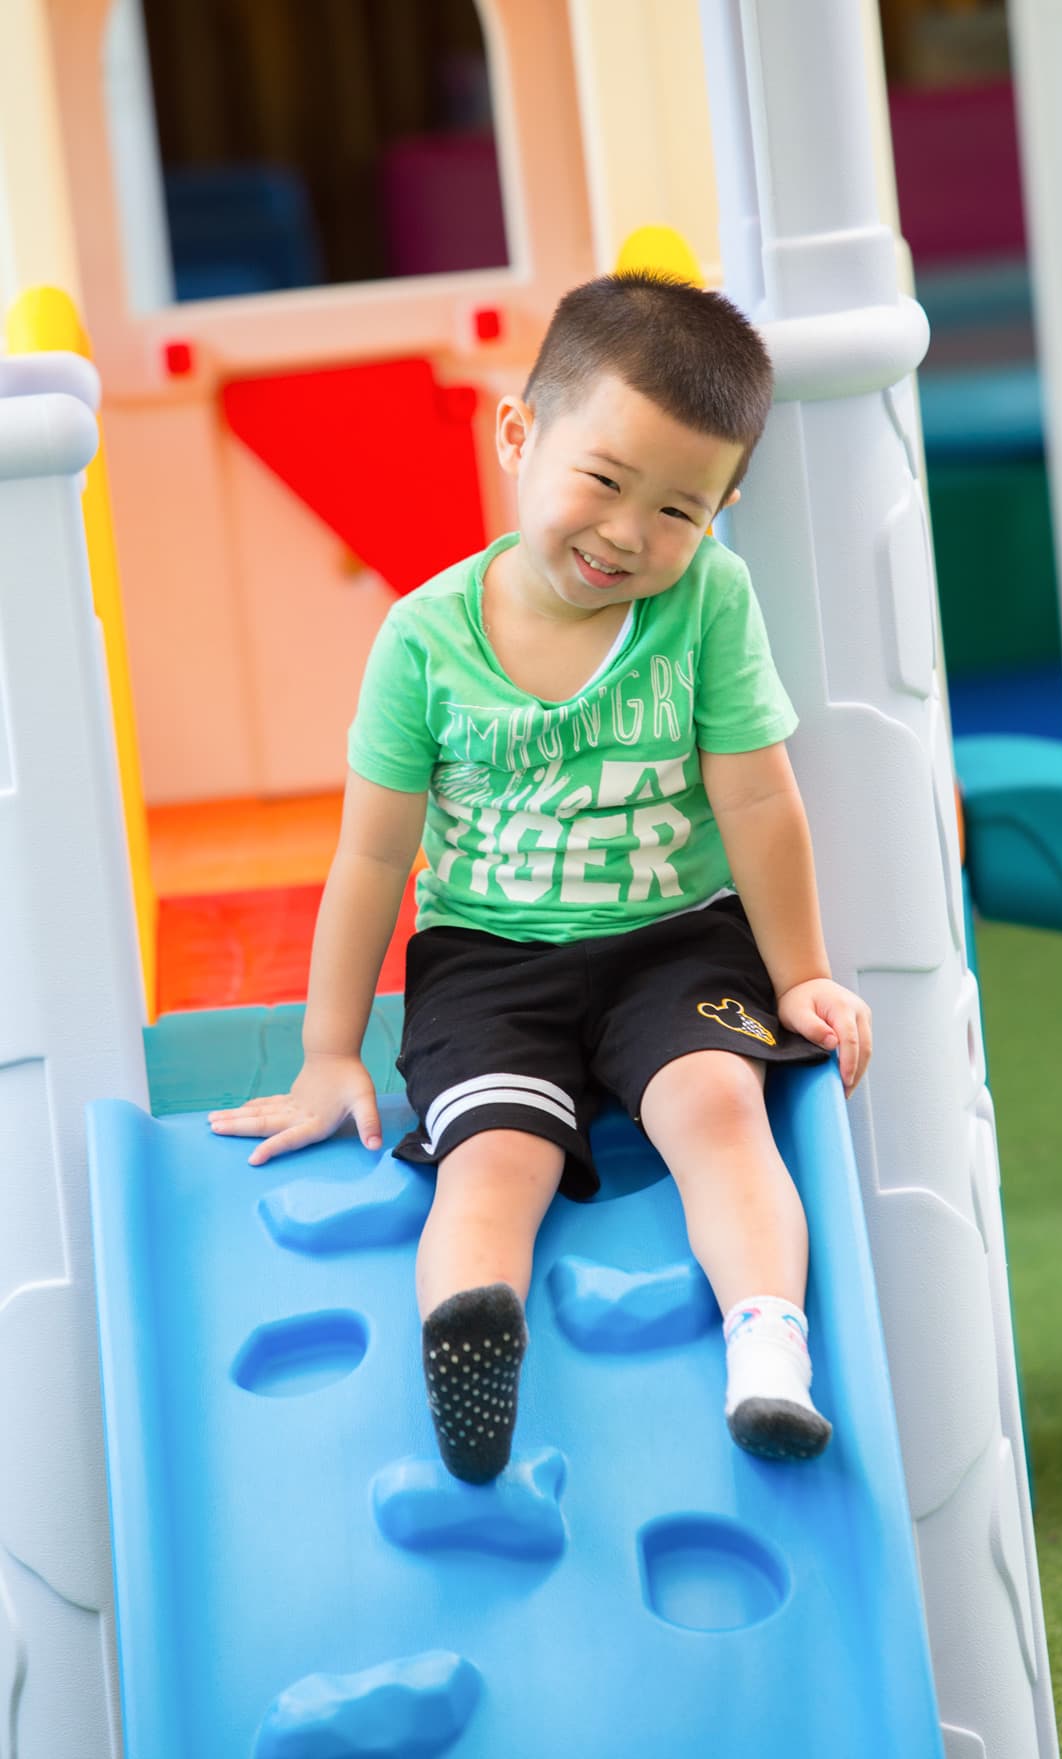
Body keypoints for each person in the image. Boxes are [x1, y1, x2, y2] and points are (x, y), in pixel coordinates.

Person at [209, 272, 872, 1484]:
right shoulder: (424, 639)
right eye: (604, 481)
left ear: (719, 515)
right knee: (492, 1156)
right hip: (489, 963)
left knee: (717, 1107)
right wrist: (327, 1051)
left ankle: (768, 1347)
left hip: (677, 938)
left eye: (679, 510)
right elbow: (372, 856)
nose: (629, 534)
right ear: (519, 433)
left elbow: (758, 798)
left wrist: (805, 972)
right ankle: (470, 1333)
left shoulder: (709, 602)